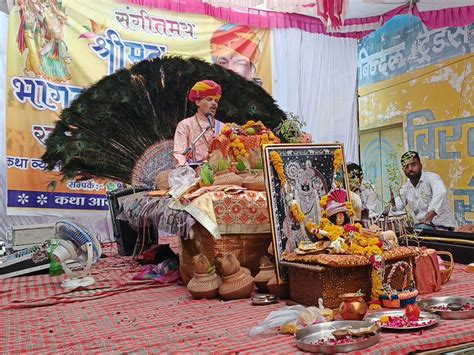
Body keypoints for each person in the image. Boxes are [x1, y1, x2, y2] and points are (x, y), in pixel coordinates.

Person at [391, 151, 457, 230]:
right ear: (403, 170)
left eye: (414, 165)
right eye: (406, 166)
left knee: (418, 230)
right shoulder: (406, 188)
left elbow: (441, 192)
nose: (410, 169)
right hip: (423, 227)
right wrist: (392, 207)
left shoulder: (432, 178)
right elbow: (396, 208)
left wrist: (430, 215)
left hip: (442, 226)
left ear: (420, 165)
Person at [172, 80, 224, 166]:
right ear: (198, 102)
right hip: (192, 175)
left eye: (216, 101)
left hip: (220, 175)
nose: (214, 104)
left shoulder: (223, 128)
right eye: (209, 99)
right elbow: (179, 154)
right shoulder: (185, 125)